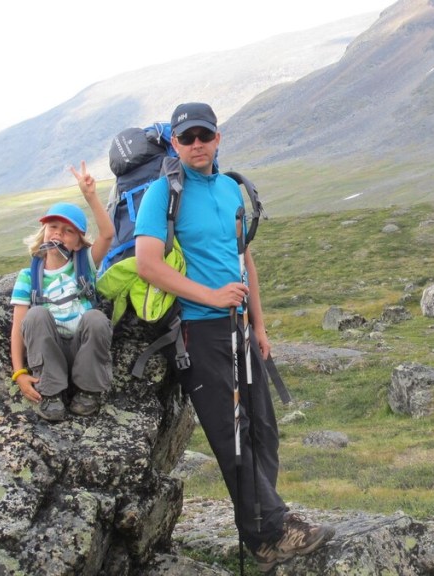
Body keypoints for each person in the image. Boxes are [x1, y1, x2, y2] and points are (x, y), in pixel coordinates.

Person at [134, 102, 334, 571]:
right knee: (232, 436)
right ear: (175, 144)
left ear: (218, 138)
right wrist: (210, 295)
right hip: (199, 332)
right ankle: (274, 528)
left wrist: (259, 325)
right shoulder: (163, 193)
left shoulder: (229, 189)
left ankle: (262, 535)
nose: (197, 145)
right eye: (187, 138)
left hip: (239, 327)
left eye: (205, 135)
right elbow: (148, 263)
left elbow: (245, 261)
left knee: (263, 431)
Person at [9, 162, 116, 421]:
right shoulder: (28, 277)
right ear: (44, 231)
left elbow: (108, 234)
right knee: (35, 317)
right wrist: (19, 372)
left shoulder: (85, 264)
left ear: (79, 241)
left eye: (69, 231)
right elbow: (19, 327)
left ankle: (88, 390)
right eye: (53, 227)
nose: (59, 234)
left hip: (83, 349)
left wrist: (90, 196)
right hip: (50, 352)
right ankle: (52, 392)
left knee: (96, 318)